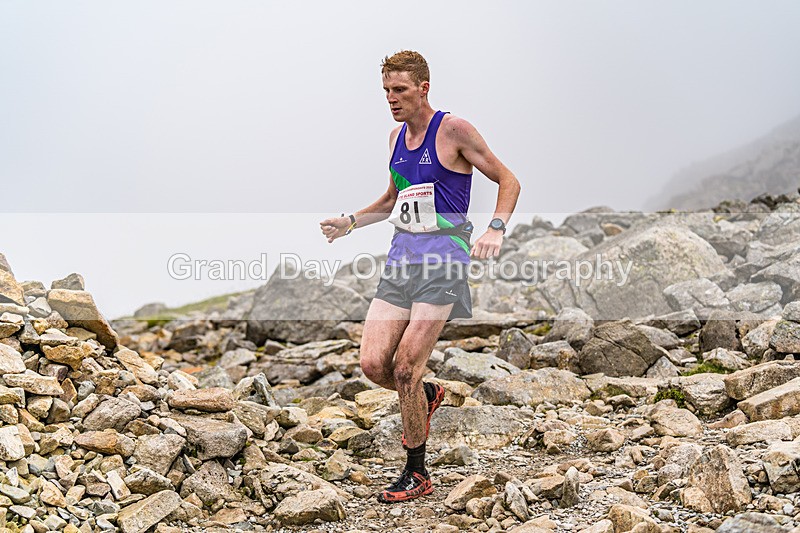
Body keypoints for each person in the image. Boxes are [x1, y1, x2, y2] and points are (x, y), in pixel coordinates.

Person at [320, 50, 520, 503]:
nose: (392, 99)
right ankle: (426, 394)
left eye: (401, 90)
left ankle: (417, 472)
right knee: (375, 365)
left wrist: (495, 227)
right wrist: (350, 222)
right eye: (386, 91)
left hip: (444, 261)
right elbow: (394, 200)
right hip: (401, 261)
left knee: (405, 366)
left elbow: (509, 181)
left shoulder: (454, 130)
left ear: (423, 88)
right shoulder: (394, 138)